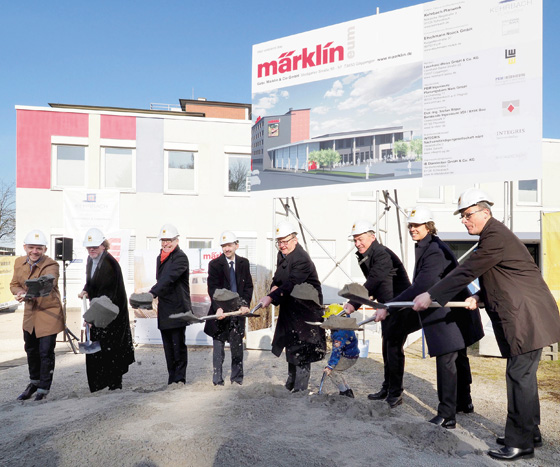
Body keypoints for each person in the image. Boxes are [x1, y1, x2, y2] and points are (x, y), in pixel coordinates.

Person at [413, 188, 560, 461]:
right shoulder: (493, 237)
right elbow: (503, 275)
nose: (465, 221)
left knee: (519, 378)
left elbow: (468, 270)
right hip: (526, 315)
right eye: (462, 217)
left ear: (485, 213)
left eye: (468, 215)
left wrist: (431, 294)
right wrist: (479, 296)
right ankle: (531, 433)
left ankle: (520, 443)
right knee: (523, 378)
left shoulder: (494, 237)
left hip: (526, 318)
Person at [376, 206, 483, 428]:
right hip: (449, 311)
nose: (412, 229)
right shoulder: (427, 246)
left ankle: (447, 415)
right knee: (458, 358)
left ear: (428, 226)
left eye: (417, 225)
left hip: (450, 313)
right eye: (411, 225)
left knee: (448, 361)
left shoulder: (434, 249)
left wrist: (390, 306)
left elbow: (423, 285)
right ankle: (464, 402)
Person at [344, 220, 419, 408]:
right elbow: (374, 283)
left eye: (360, 239)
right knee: (387, 348)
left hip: (400, 306)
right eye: (355, 240)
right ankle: (387, 387)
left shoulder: (381, 254)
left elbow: (375, 281)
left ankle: (395, 393)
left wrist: (355, 303)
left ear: (372, 236)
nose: (357, 243)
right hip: (388, 306)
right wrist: (375, 304)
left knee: (393, 349)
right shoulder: (366, 256)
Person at [258, 221, 326, 392]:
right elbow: (279, 278)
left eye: (285, 242)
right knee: (291, 344)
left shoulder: (302, 259)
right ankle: (291, 382)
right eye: (279, 242)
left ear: (295, 240)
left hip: (307, 310)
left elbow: (290, 284)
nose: (282, 246)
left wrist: (271, 297)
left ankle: (301, 388)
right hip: (291, 307)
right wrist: (272, 287)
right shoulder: (282, 254)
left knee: (303, 348)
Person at [10, 229, 65, 401]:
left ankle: (43, 388)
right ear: (25, 247)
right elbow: (14, 284)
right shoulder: (19, 262)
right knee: (31, 350)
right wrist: (19, 292)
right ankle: (34, 382)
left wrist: (28, 293)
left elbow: (47, 283)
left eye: (39, 248)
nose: (35, 251)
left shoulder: (52, 265)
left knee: (45, 352)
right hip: (30, 315)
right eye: (32, 247)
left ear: (45, 250)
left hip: (49, 314)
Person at [78, 228, 135, 392]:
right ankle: (101, 384)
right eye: (89, 247)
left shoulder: (109, 265)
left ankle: (114, 385)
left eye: (95, 246)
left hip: (111, 315)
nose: (91, 249)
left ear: (103, 245)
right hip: (101, 313)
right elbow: (91, 282)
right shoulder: (92, 260)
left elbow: (106, 298)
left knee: (111, 349)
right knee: (100, 349)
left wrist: (91, 317)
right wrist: (85, 290)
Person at [204, 231, 254, 386]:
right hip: (220, 312)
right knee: (218, 347)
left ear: (236, 245)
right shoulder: (214, 265)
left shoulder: (244, 263)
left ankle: (237, 379)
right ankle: (217, 380)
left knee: (237, 346)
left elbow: (248, 287)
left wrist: (244, 304)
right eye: (224, 246)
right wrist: (218, 308)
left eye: (229, 245)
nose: (227, 249)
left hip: (238, 312)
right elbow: (212, 289)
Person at [150, 224, 191, 385]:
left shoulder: (181, 258)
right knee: (168, 347)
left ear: (176, 240)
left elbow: (168, 278)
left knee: (178, 345)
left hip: (178, 308)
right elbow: (160, 280)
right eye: (163, 240)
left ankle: (179, 379)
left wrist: (152, 293)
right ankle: (171, 378)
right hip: (165, 308)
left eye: (169, 240)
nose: (165, 244)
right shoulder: (159, 258)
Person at [322, 304, 360, 398]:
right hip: (350, 353)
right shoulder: (345, 323)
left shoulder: (340, 334)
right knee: (337, 371)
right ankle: (348, 390)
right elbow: (346, 316)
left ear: (336, 319)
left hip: (349, 356)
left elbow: (336, 351)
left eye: (329, 319)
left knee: (333, 372)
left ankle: (344, 393)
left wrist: (330, 366)